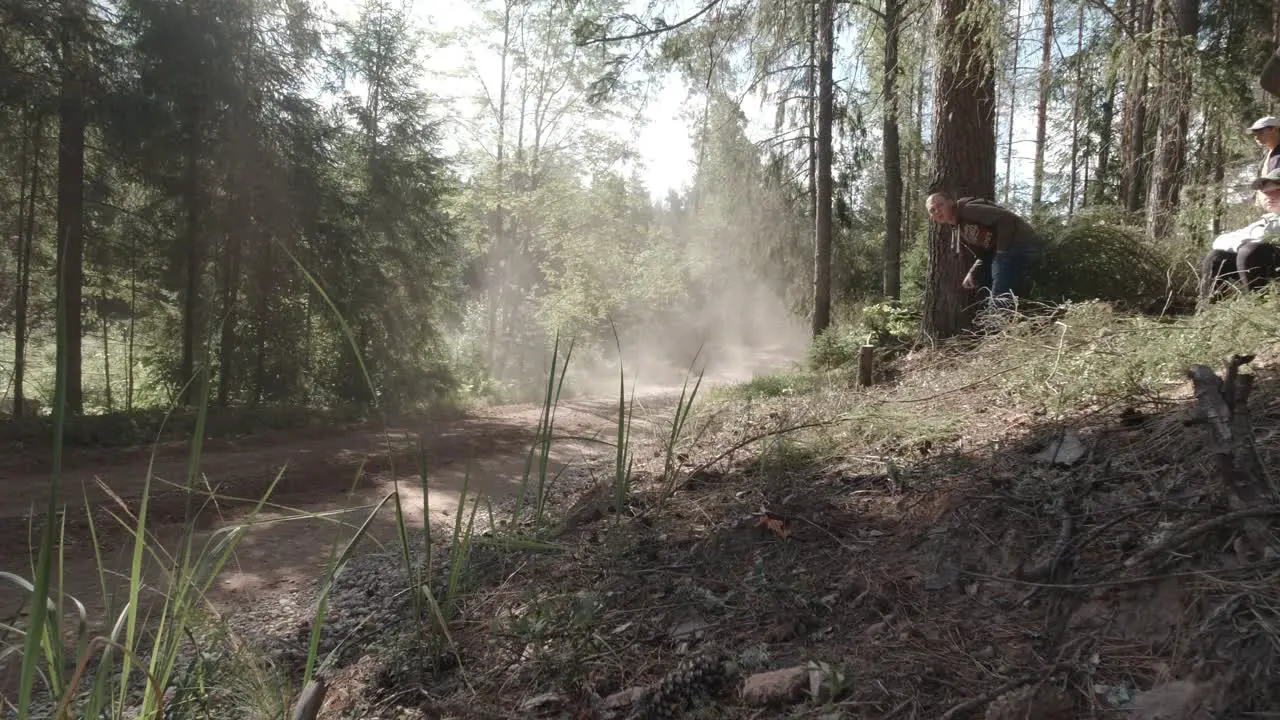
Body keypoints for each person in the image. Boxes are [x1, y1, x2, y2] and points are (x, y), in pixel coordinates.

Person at [926, 192, 1043, 307]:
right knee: (981, 280)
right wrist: (973, 271)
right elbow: (984, 252)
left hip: (1022, 243)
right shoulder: (958, 228)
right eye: (932, 210)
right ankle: (996, 314)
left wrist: (1001, 253)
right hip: (1007, 250)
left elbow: (1005, 219)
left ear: (951, 202)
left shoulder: (967, 210)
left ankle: (997, 321)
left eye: (940, 205)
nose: (937, 211)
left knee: (1000, 285)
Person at [1199, 168, 1280, 299]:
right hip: (1268, 267)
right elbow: (1219, 241)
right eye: (1266, 192)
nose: (1269, 196)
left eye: (1277, 191)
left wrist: (1242, 244)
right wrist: (1240, 245)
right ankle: (1207, 311)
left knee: (1251, 250)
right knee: (1217, 256)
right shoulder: (1267, 219)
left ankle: (1257, 308)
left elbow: (1263, 236)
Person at [1248, 116, 1280, 209]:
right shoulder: (1269, 153)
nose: (1256, 137)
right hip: (1271, 210)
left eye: (1260, 132)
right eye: (1255, 134)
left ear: (1273, 130)